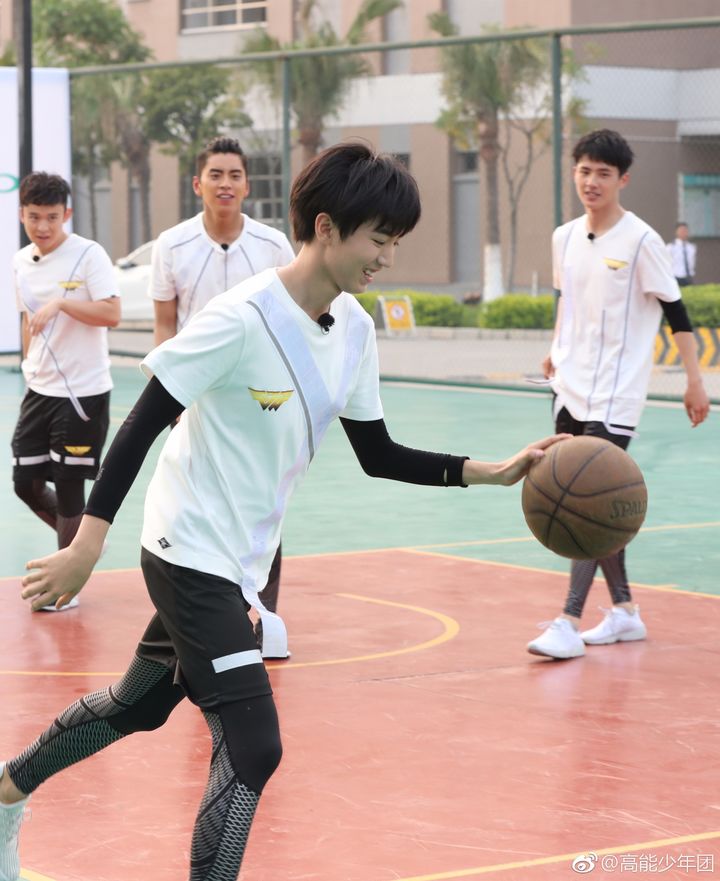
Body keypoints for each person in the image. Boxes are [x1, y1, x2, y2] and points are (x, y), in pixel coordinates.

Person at [0, 142, 568, 881]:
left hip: (239, 556)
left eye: (395, 242)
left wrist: (489, 473)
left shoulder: (354, 329)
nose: (388, 258)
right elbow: (141, 424)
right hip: (185, 546)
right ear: (327, 227)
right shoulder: (242, 318)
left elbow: (377, 452)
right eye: (380, 239)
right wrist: (85, 547)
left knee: (137, 705)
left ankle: (5, 792)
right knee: (254, 744)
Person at [527, 129, 710, 661]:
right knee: (589, 501)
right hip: (569, 386)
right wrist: (554, 348)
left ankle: (568, 620)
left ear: (622, 180)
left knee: (586, 496)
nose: (592, 181)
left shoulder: (642, 241)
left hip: (616, 394)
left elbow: (678, 314)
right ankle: (626, 612)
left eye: (603, 173)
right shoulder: (564, 237)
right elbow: (567, 300)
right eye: (584, 171)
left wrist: (695, 381)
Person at [150, 135, 295, 657]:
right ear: (198, 184)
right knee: (199, 503)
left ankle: (265, 618)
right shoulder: (172, 245)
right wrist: (171, 397)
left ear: (247, 185)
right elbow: (165, 326)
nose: (225, 183)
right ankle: (211, 611)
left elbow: (292, 318)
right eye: (216, 174)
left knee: (264, 503)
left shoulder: (273, 246)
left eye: (235, 175)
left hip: (262, 395)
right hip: (197, 396)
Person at [10, 171, 120, 612]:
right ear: (21, 213)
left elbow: (111, 313)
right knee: (25, 482)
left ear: (67, 214)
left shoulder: (89, 255)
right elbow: (28, 320)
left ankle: (64, 589)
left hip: (82, 392)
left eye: (52, 217)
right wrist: (27, 365)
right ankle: (83, 545)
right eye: (34, 217)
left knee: (70, 486)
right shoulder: (20, 262)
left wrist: (61, 303)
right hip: (39, 389)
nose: (42, 226)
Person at [666, 221, 696, 287]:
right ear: (676, 232)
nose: (683, 232)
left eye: (685, 230)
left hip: (688, 277)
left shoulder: (691, 247)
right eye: (681, 230)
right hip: (675, 276)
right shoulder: (670, 247)